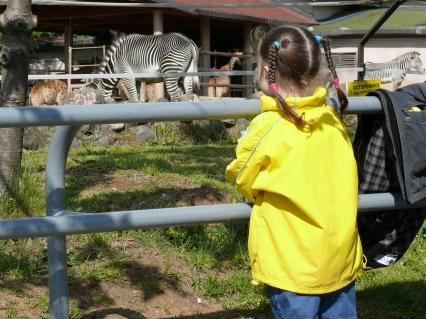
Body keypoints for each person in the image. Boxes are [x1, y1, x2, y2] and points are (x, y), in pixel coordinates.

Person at [225, 25, 363, 319]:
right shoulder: (331, 118)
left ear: (266, 71)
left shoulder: (269, 126)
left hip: (293, 265)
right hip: (339, 257)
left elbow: (240, 177)